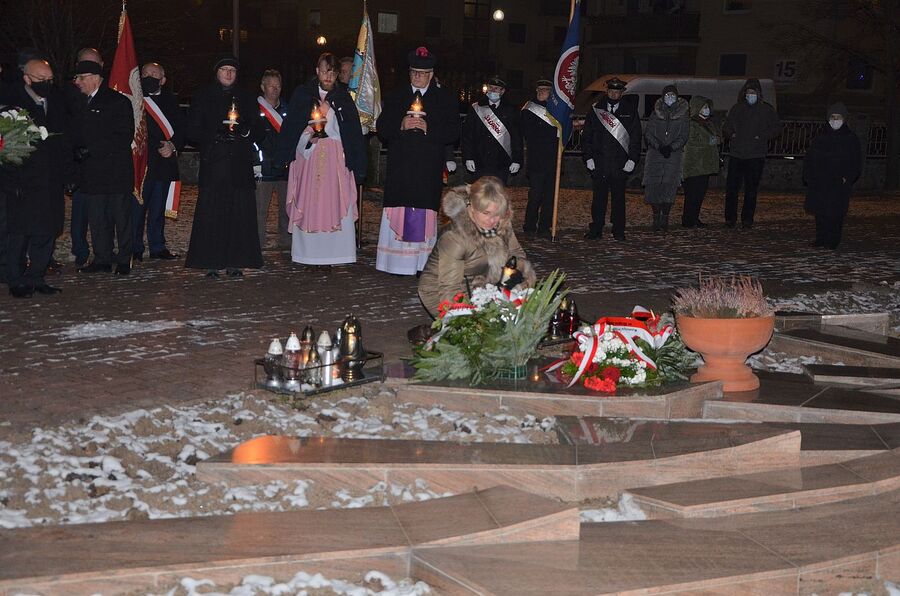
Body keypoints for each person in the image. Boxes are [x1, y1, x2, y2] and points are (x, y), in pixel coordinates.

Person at [374, 46, 459, 276]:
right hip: (401, 168)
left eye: (422, 73)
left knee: (422, 213)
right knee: (400, 211)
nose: (417, 77)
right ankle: (395, 263)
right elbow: (381, 128)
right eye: (413, 72)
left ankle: (421, 263)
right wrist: (400, 124)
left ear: (431, 74)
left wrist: (429, 128)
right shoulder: (397, 95)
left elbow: (454, 131)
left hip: (426, 168)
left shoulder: (444, 98)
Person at [280, 53, 365, 267]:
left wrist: (331, 121)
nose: (328, 76)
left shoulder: (343, 98)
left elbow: (351, 132)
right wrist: (308, 134)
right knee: (309, 201)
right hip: (309, 158)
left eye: (333, 72)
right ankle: (308, 253)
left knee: (337, 200)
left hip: (336, 158)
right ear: (317, 71)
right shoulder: (303, 95)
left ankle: (337, 253)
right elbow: (291, 128)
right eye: (325, 70)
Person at [185, 56, 265, 277]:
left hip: (239, 164)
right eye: (224, 70)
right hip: (215, 164)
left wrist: (245, 131)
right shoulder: (203, 96)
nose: (229, 74)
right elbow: (192, 130)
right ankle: (211, 261)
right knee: (213, 214)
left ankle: (236, 261)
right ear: (216, 72)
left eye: (232, 70)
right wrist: (215, 135)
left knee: (239, 214)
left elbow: (259, 129)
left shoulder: (247, 97)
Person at [417, 177, 535, 318]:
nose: (493, 220)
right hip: (441, 291)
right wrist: (465, 320)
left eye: (497, 214)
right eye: (486, 213)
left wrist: (512, 279)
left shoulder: (501, 224)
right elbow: (449, 288)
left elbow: (517, 254)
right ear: (471, 207)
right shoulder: (455, 237)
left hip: (482, 286)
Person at [3, 59, 72, 297]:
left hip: (51, 181)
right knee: (19, 235)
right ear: (27, 79)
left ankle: (37, 277)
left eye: (50, 79)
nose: (46, 84)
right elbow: (6, 150)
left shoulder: (57, 102)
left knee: (46, 232)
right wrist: (12, 182)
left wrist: (69, 173)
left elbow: (64, 141)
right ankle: (16, 279)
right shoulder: (11, 106)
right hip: (22, 183)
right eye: (41, 80)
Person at [71, 60, 135, 275]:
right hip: (92, 172)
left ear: (95, 77)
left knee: (121, 217)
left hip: (115, 171)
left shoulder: (116, 101)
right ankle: (102, 258)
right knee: (97, 218)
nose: (77, 82)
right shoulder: (81, 102)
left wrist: (92, 149)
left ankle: (125, 259)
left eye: (81, 77)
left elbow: (123, 135)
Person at [133, 62, 183, 261]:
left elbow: (181, 128)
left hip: (164, 164)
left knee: (158, 210)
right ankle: (134, 248)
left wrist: (172, 145)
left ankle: (157, 247)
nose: (150, 78)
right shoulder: (133, 100)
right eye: (146, 74)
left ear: (163, 80)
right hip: (142, 163)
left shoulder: (171, 101)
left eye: (155, 75)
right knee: (137, 209)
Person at [581, 77, 642, 241]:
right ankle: (596, 230)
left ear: (622, 92)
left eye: (618, 91)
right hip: (600, 162)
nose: (614, 94)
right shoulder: (596, 109)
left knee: (619, 200)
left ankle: (619, 230)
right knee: (598, 200)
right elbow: (587, 136)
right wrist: (588, 157)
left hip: (619, 163)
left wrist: (632, 159)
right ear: (607, 91)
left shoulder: (630, 110)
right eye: (612, 91)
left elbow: (636, 137)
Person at [723, 78, 781, 229]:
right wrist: (731, 134)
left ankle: (747, 218)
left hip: (755, 155)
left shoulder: (766, 110)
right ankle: (730, 218)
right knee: (732, 189)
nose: (750, 95)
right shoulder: (737, 108)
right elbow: (727, 126)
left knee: (751, 189)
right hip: (737, 154)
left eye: (753, 93)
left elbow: (776, 128)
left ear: (759, 94)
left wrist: (761, 136)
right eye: (748, 92)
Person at [802, 103, 862, 250]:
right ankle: (821, 238)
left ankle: (832, 240)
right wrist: (808, 176)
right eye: (833, 117)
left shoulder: (850, 138)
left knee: (835, 213)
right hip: (821, 180)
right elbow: (811, 157)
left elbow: (856, 161)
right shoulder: (821, 137)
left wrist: (847, 177)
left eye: (838, 117)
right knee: (820, 212)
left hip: (838, 182)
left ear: (844, 119)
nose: (835, 120)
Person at [68, 47, 103, 268]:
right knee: (79, 213)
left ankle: (103, 252)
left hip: (102, 164)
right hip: (78, 165)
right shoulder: (68, 95)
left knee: (101, 213)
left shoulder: (109, 94)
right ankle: (80, 249)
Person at [643, 84, 689, 232]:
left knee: (669, 185)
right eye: (667, 95)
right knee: (654, 185)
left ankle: (665, 217)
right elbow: (649, 132)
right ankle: (656, 216)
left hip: (673, 156)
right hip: (655, 154)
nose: (670, 98)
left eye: (672, 95)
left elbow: (683, 135)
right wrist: (659, 146)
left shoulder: (683, 115)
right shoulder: (655, 113)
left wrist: (672, 147)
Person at [253, 69, 290, 250]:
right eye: (271, 85)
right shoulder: (254, 109)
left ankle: (286, 243)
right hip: (263, 166)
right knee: (260, 209)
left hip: (284, 167)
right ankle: (257, 244)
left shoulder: (287, 110)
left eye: (278, 86)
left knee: (286, 209)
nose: (275, 89)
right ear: (262, 87)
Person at [462, 75, 523, 184]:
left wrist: (517, 160)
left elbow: (516, 137)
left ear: (502, 91)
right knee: (479, 195)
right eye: (490, 87)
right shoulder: (476, 108)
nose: (492, 90)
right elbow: (467, 135)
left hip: (501, 161)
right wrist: (468, 157)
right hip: (479, 160)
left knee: (497, 195)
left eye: (496, 88)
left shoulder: (511, 110)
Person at [520, 78, 560, 237]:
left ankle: (544, 227)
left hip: (553, 160)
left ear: (551, 94)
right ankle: (529, 226)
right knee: (535, 195)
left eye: (544, 90)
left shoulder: (557, 110)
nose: (540, 92)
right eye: (539, 90)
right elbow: (527, 132)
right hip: (536, 159)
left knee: (549, 197)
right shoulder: (529, 109)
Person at [681, 96, 721, 228]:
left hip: (705, 165)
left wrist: (713, 140)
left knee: (699, 194)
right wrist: (712, 141)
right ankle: (688, 219)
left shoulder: (708, 123)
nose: (707, 110)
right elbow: (695, 141)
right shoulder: (691, 124)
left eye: (708, 107)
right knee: (692, 194)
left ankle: (694, 217)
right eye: (704, 107)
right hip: (694, 165)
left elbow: (717, 138)